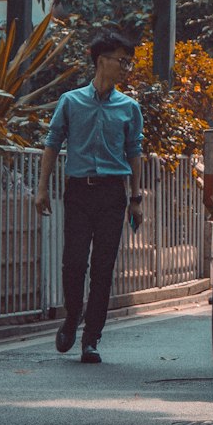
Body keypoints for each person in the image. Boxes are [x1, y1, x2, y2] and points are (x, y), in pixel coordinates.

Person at [36, 29, 144, 363]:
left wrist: (136, 198)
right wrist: (42, 188)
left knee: (102, 267)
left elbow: (134, 152)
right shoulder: (71, 101)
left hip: (113, 193)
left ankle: (91, 338)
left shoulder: (129, 107)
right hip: (79, 191)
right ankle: (72, 318)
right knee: (74, 261)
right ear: (101, 61)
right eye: (120, 61)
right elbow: (53, 143)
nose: (124, 68)